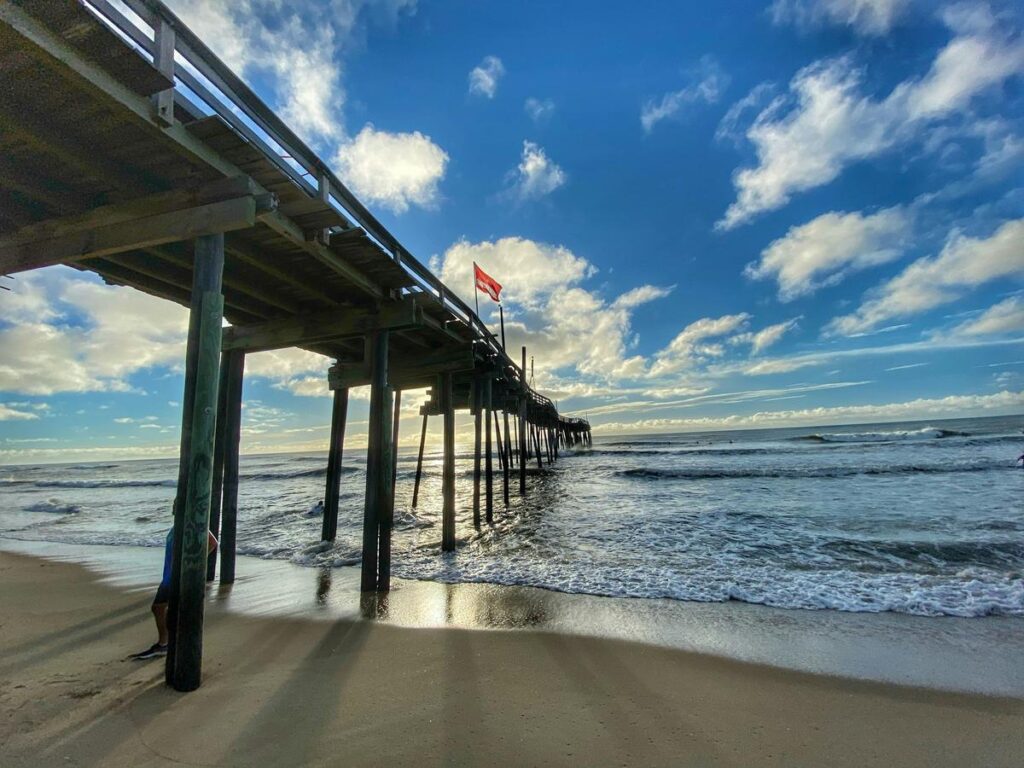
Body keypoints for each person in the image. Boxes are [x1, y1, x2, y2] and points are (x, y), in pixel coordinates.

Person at [131, 526, 217, 660]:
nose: (173, 506)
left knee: (158, 608)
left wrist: (195, 561)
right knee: (162, 608)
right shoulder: (177, 525)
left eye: (175, 504)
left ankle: (164, 644)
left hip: (175, 576)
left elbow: (212, 543)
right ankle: (166, 642)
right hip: (169, 575)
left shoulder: (191, 523)